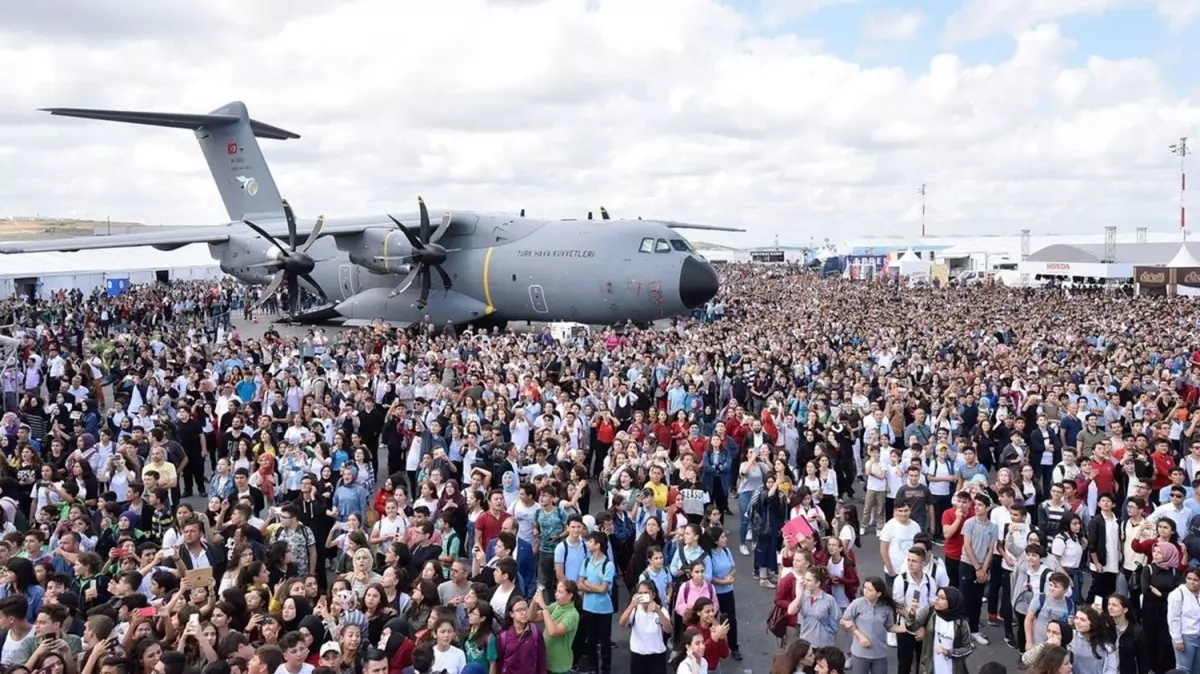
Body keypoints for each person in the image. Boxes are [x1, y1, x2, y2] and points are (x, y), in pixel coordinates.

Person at [902, 586, 974, 674]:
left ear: (952, 601)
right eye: (937, 596)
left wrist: (948, 652)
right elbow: (912, 627)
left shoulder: (962, 623)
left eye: (942, 598)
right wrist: (912, 614)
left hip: (952, 669)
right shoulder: (930, 611)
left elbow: (967, 649)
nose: (936, 600)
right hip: (930, 668)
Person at [839, 577, 897, 674]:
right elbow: (843, 620)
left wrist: (908, 629)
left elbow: (890, 626)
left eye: (869, 590)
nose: (865, 591)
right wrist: (859, 635)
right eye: (865, 588)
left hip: (879, 653)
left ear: (878, 594)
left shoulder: (886, 607)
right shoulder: (857, 603)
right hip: (860, 653)